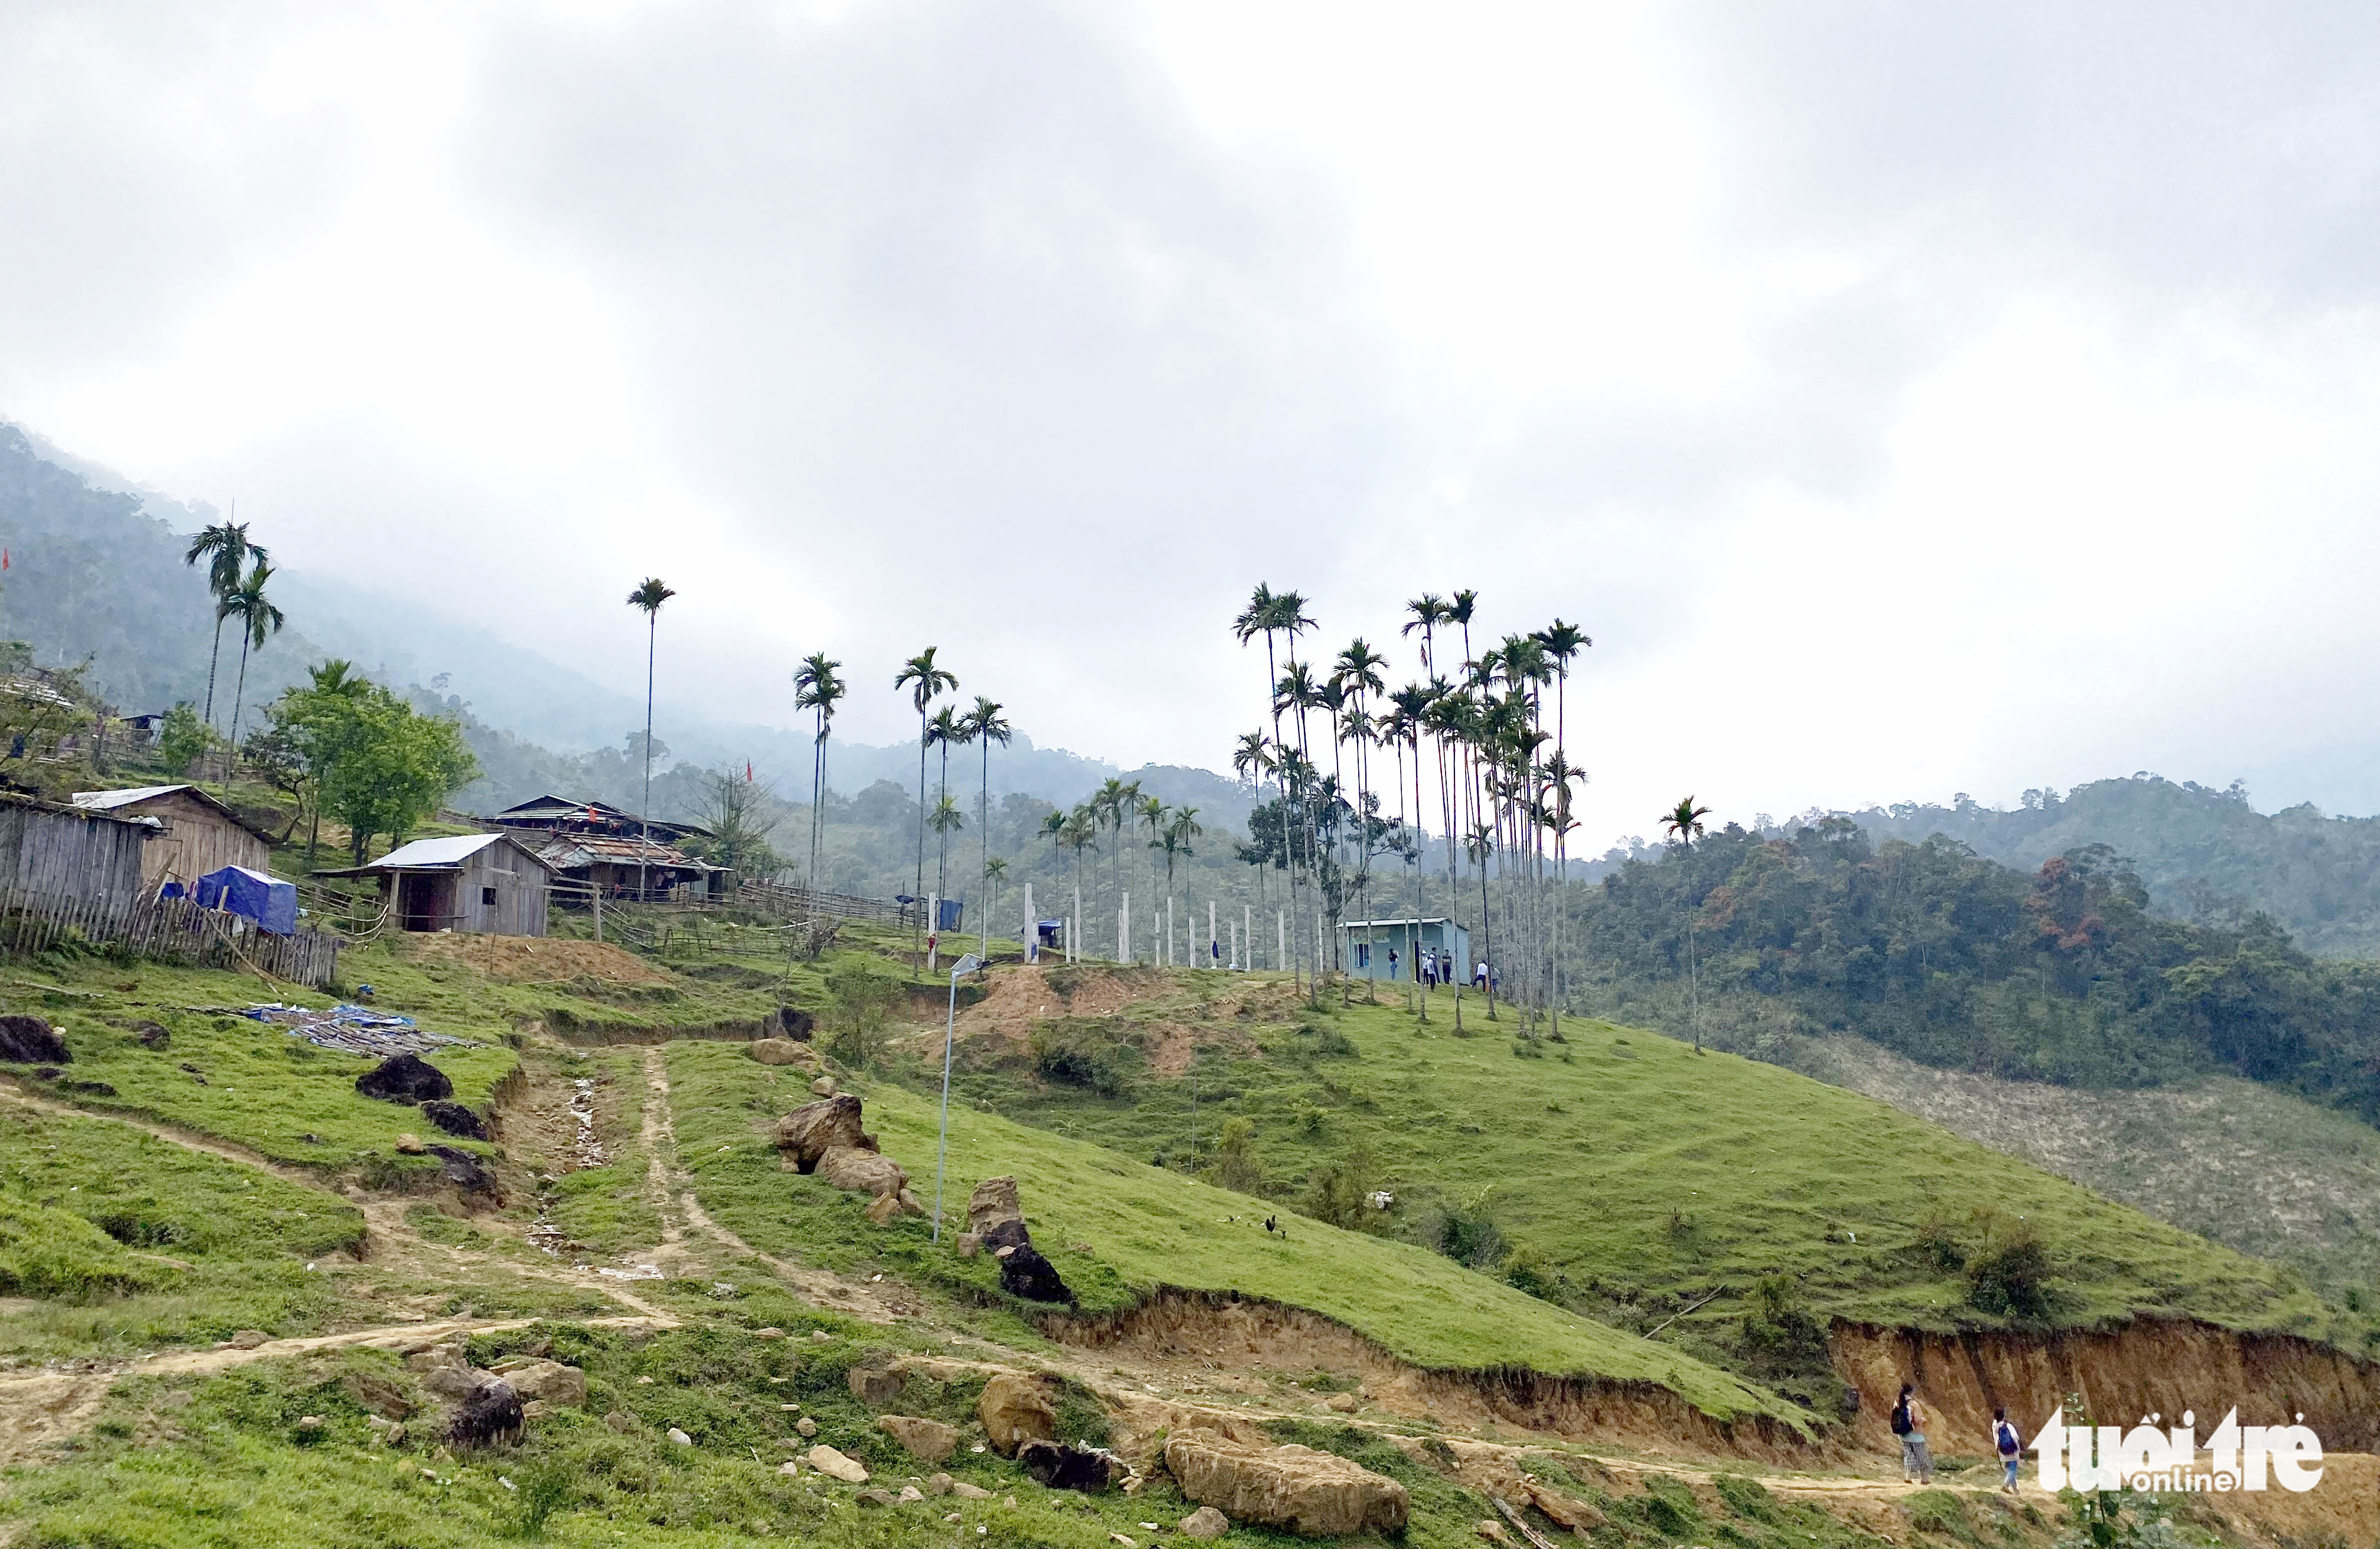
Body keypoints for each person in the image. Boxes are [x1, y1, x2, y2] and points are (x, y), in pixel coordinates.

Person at [1892, 1384, 1934, 1484]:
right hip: (1916, 1436)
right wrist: (1924, 1420)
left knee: (1908, 1456)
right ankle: (1924, 1479)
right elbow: (1917, 1421)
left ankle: (1908, 1478)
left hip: (1903, 1435)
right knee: (1922, 1457)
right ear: (1911, 1392)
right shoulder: (1914, 1404)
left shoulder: (1897, 1402)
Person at [1993, 1407, 2021, 1494]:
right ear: (2004, 1416)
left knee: (2010, 1470)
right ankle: (2005, 1486)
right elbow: (2015, 1437)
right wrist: (2018, 1448)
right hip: (2012, 1450)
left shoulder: (1995, 1427)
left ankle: (2015, 1489)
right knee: (2013, 1470)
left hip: (2001, 1451)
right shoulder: (2008, 1426)